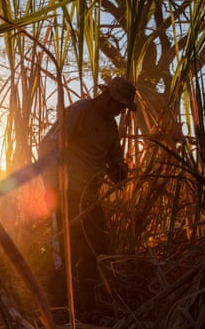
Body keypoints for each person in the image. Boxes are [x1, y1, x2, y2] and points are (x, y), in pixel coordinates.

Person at [40, 76, 137, 321]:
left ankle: (85, 298)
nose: (120, 111)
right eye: (118, 105)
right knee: (65, 247)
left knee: (99, 241)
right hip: (66, 191)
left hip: (88, 196)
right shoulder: (80, 112)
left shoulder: (110, 127)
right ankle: (57, 305)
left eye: (124, 108)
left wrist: (119, 170)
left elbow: (114, 158)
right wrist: (51, 185)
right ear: (106, 96)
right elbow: (48, 145)